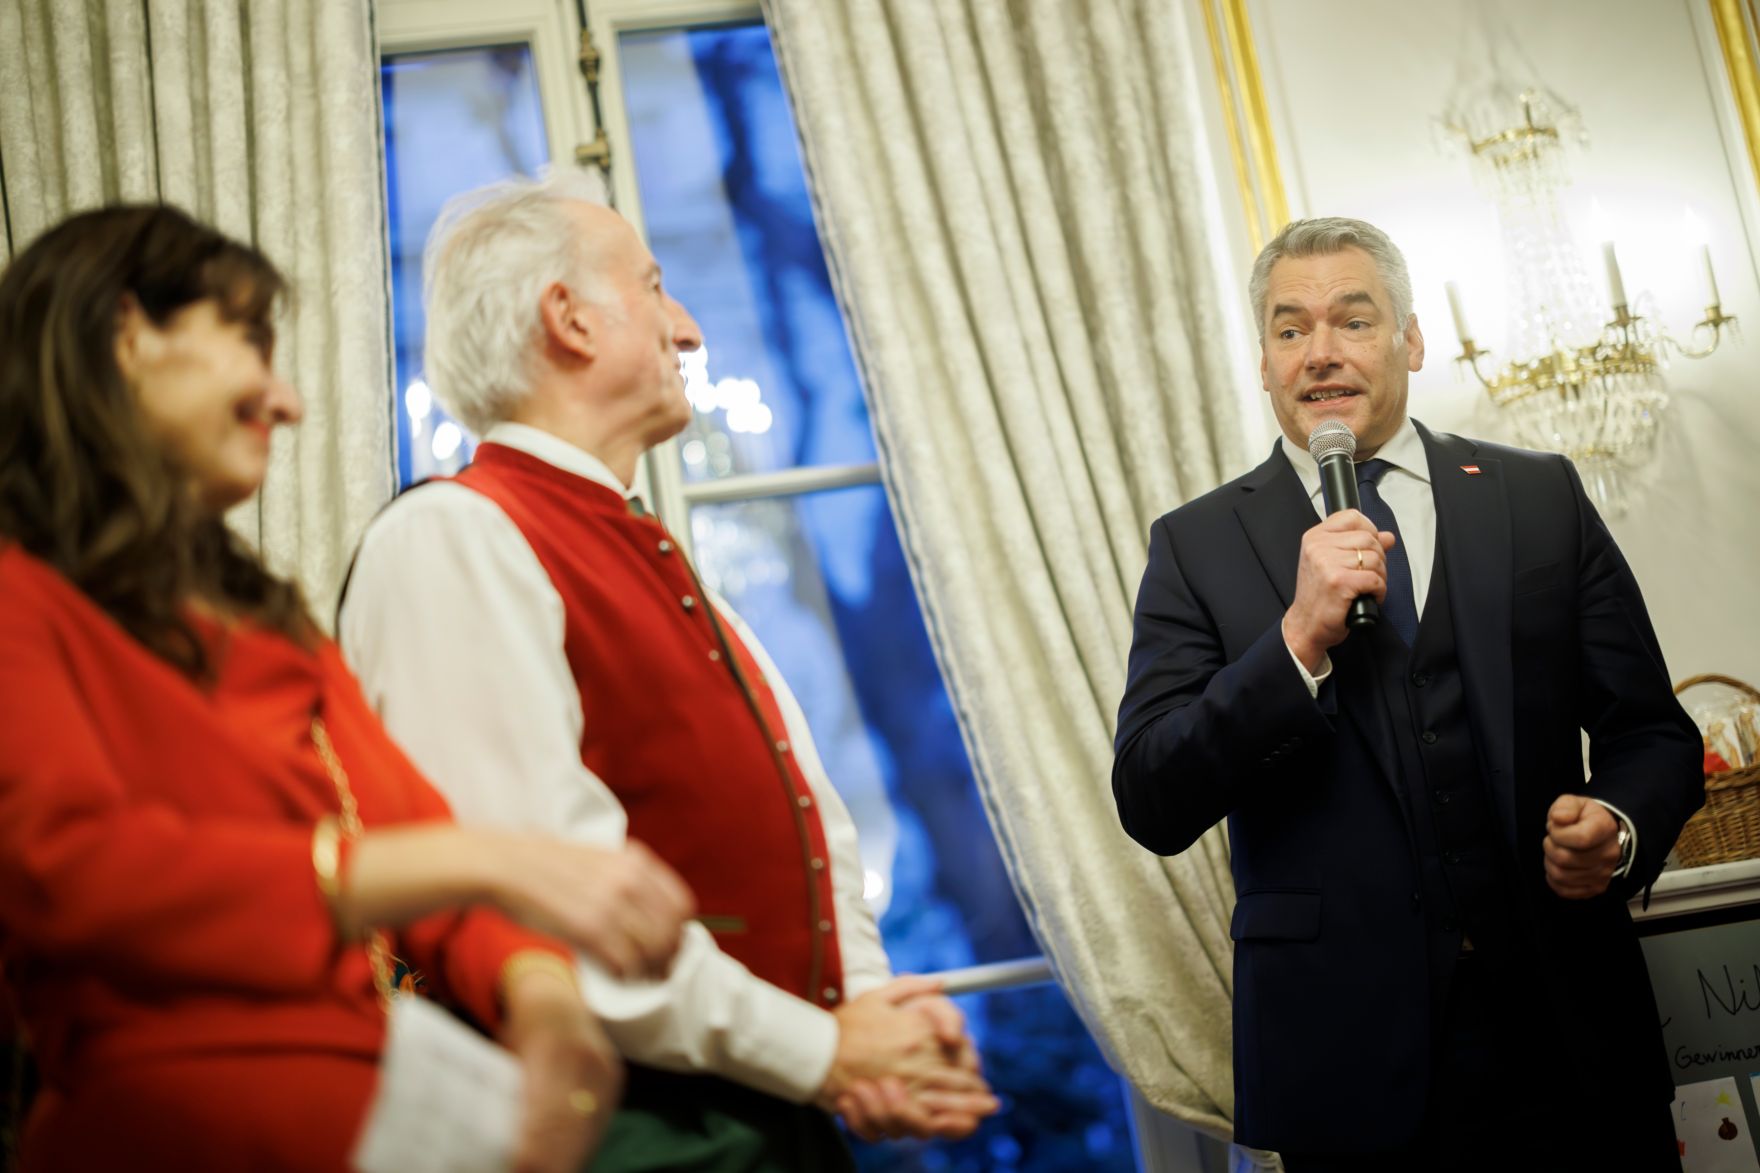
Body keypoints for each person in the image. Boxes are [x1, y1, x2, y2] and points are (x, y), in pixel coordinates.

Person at [0, 204, 696, 1171]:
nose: (287, 403)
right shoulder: (17, 600)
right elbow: (72, 874)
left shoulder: (271, 624)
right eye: (251, 344)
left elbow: (421, 840)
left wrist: (545, 1003)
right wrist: (495, 861)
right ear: (128, 336)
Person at [338, 171, 998, 1170]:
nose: (687, 331)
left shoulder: (668, 562)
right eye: (651, 287)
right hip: (626, 1133)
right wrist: (825, 1050)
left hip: (763, 1117)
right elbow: (547, 898)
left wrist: (867, 1018)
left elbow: (809, 818)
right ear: (571, 321)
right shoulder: (450, 538)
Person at [1111, 217, 1703, 1171]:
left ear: (1411, 340)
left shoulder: (1536, 496)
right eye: (1291, 329)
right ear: (1263, 361)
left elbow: (1655, 734)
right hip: (1345, 1067)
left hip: (1571, 1038)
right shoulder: (1197, 544)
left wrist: (1619, 825)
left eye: (1353, 319)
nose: (1322, 353)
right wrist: (1295, 639)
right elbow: (1150, 794)